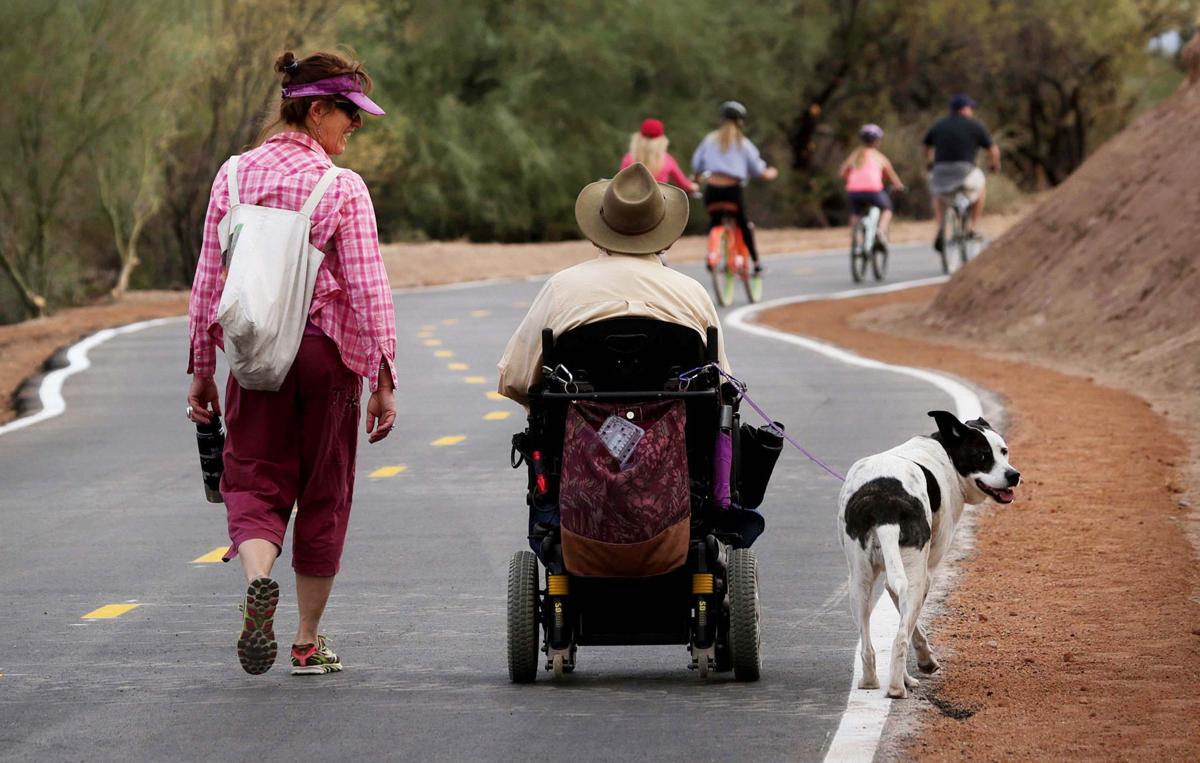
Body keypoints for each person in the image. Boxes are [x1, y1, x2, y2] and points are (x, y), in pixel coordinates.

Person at [186, 50, 397, 677]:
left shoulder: (232, 176)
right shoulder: (342, 187)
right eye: (349, 114)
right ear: (316, 110)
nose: (354, 127)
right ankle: (306, 642)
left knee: (252, 475)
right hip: (326, 356)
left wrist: (201, 366)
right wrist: (384, 378)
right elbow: (368, 286)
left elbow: (207, 280)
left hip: (254, 354)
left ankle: (258, 578)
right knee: (324, 491)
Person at [497, 161, 731, 408]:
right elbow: (723, 384)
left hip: (576, 442)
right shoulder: (691, 293)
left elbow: (514, 379)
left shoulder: (561, 288)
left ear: (597, 230)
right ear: (667, 236)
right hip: (682, 442)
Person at [690, 100, 778, 274]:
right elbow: (758, 170)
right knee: (743, 224)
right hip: (732, 192)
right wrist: (770, 173)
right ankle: (757, 263)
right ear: (740, 122)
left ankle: (712, 253)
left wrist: (697, 178)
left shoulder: (709, 140)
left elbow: (697, 164)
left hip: (712, 191)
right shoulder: (743, 144)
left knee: (714, 221)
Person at [923, 94, 1001, 253]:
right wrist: (994, 165)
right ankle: (972, 227)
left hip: (941, 171)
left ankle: (941, 228)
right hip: (965, 171)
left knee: (938, 195)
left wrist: (930, 161)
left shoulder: (939, 125)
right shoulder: (975, 125)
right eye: (970, 108)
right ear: (964, 109)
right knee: (981, 188)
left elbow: (926, 146)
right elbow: (993, 150)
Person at [840, 123, 905, 247]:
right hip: (873, 191)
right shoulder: (879, 157)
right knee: (887, 209)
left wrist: (851, 180)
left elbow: (843, 172)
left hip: (854, 191)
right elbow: (892, 176)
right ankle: (880, 231)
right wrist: (899, 185)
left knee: (855, 213)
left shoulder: (855, 155)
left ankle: (856, 238)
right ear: (877, 141)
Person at [620, 118, 699, 193]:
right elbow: (683, 184)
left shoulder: (629, 158)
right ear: (662, 140)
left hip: (632, 201)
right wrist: (694, 186)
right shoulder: (667, 160)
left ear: (638, 138)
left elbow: (621, 181)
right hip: (658, 204)